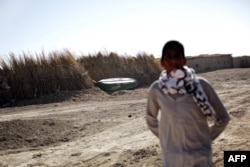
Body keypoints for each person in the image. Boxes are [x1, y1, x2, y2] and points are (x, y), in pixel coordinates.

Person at [146, 40, 230, 167]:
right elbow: (150, 118)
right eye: (168, 57)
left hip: (200, 159)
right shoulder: (157, 89)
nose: (173, 61)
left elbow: (223, 118)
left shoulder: (201, 85)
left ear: (184, 60)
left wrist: (205, 139)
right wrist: (166, 139)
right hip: (172, 159)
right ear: (162, 62)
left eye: (177, 56)